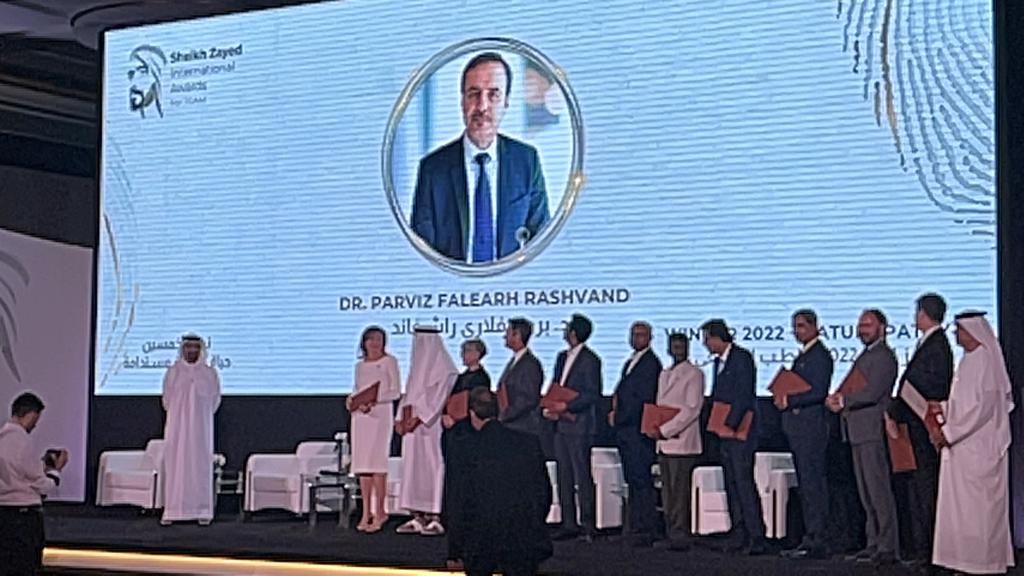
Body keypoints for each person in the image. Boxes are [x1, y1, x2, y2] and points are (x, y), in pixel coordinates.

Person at [410, 52, 550, 263]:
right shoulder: (432, 169)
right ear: (462, 101)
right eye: (473, 94)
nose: (482, 106)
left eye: (493, 94)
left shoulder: (527, 161)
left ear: (506, 102)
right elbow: (421, 255)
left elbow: (542, 243)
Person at [931, 312, 1014, 575]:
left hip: (980, 450)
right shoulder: (968, 360)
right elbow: (964, 403)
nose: (955, 334)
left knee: (979, 511)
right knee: (963, 511)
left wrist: (949, 432)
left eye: (959, 329)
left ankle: (983, 563)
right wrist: (943, 408)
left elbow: (982, 409)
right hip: (963, 450)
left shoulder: (987, 361)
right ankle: (964, 562)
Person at [884, 293, 953, 568]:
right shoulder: (928, 343)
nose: (915, 317)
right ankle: (923, 549)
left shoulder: (937, 346)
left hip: (924, 427)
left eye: (917, 312)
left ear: (924, 314)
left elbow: (927, 385)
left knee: (927, 489)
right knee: (918, 489)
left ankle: (931, 553)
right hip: (913, 425)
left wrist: (898, 407)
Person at [826, 309, 899, 565]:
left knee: (878, 490)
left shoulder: (884, 356)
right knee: (866, 493)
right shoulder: (867, 355)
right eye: (860, 325)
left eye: (868, 325)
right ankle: (873, 542)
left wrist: (843, 400)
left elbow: (873, 391)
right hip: (857, 430)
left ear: (882, 327)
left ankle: (887, 546)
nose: (862, 329)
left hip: (871, 430)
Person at [463, 388, 553, 576]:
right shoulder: (528, 443)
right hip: (524, 537)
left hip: (482, 541)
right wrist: (535, 522)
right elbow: (543, 492)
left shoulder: (468, 449)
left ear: (472, 413)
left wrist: (456, 546)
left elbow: (462, 499)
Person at [702, 319, 767, 555]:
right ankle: (738, 532)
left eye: (707, 339)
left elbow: (744, 394)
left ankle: (756, 535)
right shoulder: (717, 363)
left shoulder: (742, 358)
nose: (705, 344)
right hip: (723, 432)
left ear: (717, 337)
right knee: (731, 482)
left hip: (740, 430)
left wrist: (728, 423)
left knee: (743, 482)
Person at [777, 310, 834, 559]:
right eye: (795, 327)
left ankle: (817, 538)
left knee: (813, 484)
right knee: (806, 484)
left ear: (814, 327)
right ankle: (810, 535)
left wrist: (789, 400)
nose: (797, 331)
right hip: (799, 428)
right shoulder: (803, 356)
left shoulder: (819, 356)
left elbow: (818, 391)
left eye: (801, 326)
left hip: (811, 428)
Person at [543, 314, 602, 543]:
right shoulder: (561, 357)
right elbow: (557, 385)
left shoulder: (591, 360)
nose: (565, 331)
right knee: (564, 475)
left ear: (574, 333)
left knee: (581, 475)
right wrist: (551, 406)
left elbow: (592, 394)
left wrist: (567, 406)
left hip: (579, 425)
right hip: (561, 424)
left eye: (567, 328)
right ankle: (569, 523)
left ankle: (587, 524)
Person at [395, 327, 458, 536]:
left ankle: (435, 517)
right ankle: (417, 515)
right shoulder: (417, 367)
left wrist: (420, 416)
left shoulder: (445, 368)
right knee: (412, 470)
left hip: (430, 428)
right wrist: (400, 419)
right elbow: (409, 396)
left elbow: (438, 397)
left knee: (432, 467)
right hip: (412, 429)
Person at [645, 333, 704, 552]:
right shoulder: (664, 373)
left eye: (682, 347)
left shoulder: (694, 374)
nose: (678, 351)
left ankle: (680, 535)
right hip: (663, 441)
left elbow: (691, 410)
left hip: (681, 441)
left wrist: (666, 430)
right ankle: (671, 532)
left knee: (679, 492)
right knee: (667, 492)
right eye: (674, 347)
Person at [0, 392, 68, 575]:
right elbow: (41, 484)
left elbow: (19, 472)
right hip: (23, 518)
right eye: (36, 419)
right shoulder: (22, 441)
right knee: (25, 567)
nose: (36, 424)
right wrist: (56, 471)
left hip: (3, 515)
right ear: (30, 414)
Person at [609, 321, 663, 547]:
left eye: (640, 334)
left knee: (641, 480)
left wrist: (620, 417)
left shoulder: (651, 363)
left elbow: (642, 399)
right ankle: (635, 525)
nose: (635, 338)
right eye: (633, 334)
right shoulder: (631, 361)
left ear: (649, 338)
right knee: (632, 479)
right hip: (626, 430)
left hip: (637, 430)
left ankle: (645, 528)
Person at [441, 339, 492, 569]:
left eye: (468, 351)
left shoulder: (481, 378)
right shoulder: (461, 377)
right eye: (463, 351)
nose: (464, 355)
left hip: (468, 436)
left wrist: (457, 418)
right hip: (454, 435)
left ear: (478, 353)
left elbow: (475, 406)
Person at [161, 334, 221, 526]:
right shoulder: (173, 372)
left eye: (196, 347)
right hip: (177, 428)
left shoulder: (210, 373)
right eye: (188, 347)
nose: (192, 351)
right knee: (177, 466)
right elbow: (166, 400)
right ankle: (173, 510)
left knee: (200, 465)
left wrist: (199, 415)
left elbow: (215, 400)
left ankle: (202, 510)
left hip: (201, 429)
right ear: (183, 349)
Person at [348, 326, 402, 533]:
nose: (375, 343)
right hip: (361, 418)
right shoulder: (360, 366)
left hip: (380, 416)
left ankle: (380, 512)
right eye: (371, 339)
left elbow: (395, 391)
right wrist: (352, 400)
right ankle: (366, 512)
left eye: (379, 339)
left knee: (377, 464)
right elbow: (356, 389)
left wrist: (374, 399)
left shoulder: (389, 362)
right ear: (364, 342)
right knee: (363, 466)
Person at [497, 318, 544, 436]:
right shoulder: (514, 361)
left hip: (523, 429)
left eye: (507, 332)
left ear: (517, 335)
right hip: (511, 426)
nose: (504, 336)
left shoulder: (530, 364)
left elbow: (528, 398)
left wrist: (506, 415)